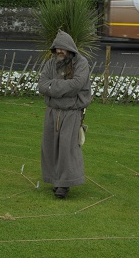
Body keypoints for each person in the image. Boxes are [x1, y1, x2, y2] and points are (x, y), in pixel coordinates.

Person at [38, 30, 92, 199]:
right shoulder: (50, 64)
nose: (59, 51)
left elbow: (77, 84)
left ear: (69, 48)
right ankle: (55, 179)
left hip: (71, 112)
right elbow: (41, 85)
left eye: (62, 48)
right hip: (52, 112)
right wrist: (61, 87)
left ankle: (64, 184)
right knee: (50, 147)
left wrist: (53, 87)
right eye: (57, 48)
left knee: (67, 149)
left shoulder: (81, 63)